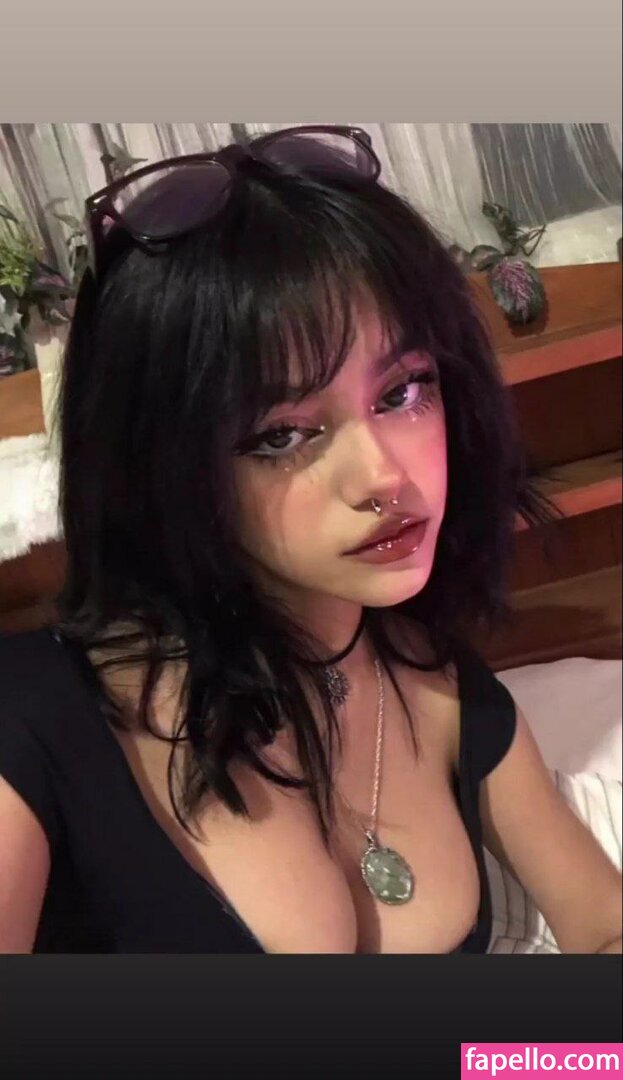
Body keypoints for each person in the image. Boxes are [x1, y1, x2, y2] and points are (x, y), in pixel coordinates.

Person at [0, 126, 621, 955]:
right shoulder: (36, 720)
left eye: (402, 391)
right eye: (282, 434)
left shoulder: (441, 688)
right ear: (163, 468)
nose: (383, 476)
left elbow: (603, 928)